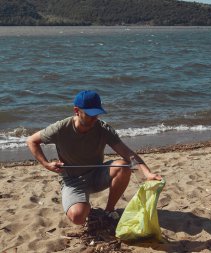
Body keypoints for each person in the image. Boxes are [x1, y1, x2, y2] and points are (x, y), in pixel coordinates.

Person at [27, 90, 162, 225]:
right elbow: (32, 141)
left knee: (123, 167)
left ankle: (109, 211)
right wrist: (46, 164)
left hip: (98, 174)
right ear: (76, 111)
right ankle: (85, 207)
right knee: (78, 217)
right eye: (89, 115)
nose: (94, 119)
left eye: (96, 114)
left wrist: (147, 173)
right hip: (73, 180)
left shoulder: (103, 129)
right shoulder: (60, 128)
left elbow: (127, 153)